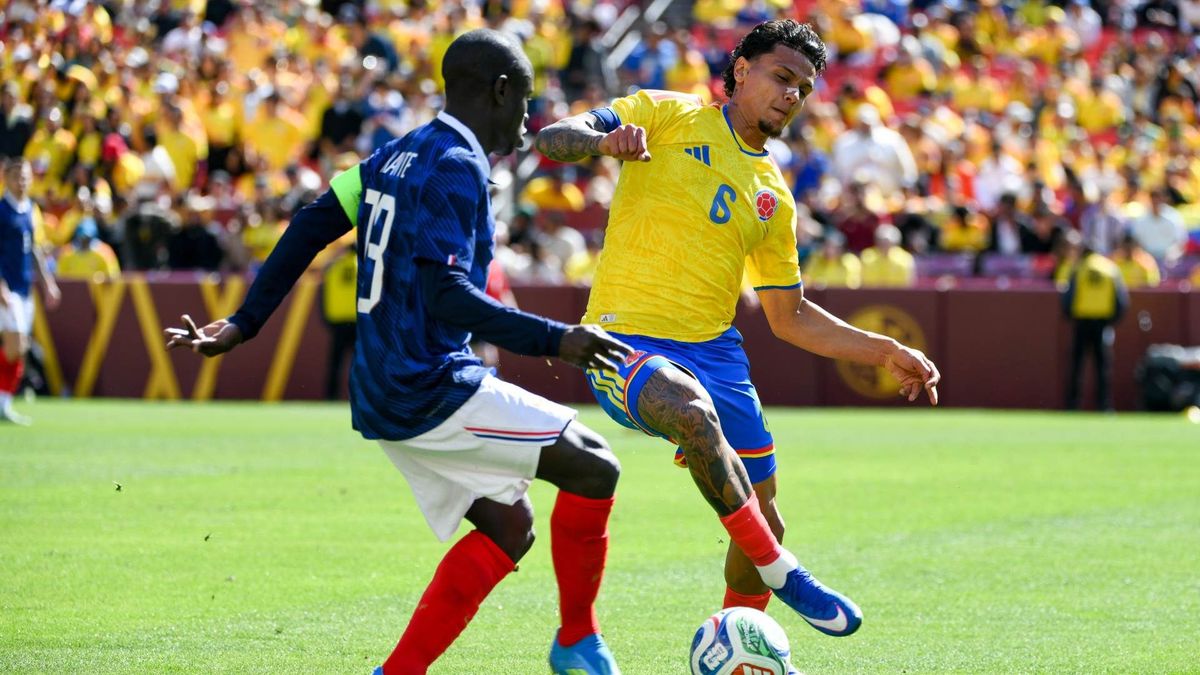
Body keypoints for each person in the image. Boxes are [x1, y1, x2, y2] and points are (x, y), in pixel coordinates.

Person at [166, 30, 631, 675]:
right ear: (499, 92)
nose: (529, 119)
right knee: (595, 466)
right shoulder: (456, 165)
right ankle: (577, 642)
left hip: (382, 388)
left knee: (509, 527)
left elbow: (310, 223)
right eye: (525, 101)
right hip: (428, 387)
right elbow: (447, 296)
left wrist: (246, 322)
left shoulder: (400, 152)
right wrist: (560, 341)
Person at [535, 19, 940, 638]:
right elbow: (555, 139)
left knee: (765, 517)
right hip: (623, 341)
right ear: (741, 70)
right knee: (692, 414)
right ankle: (786, 572)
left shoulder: (774, 193)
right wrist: (600, 141)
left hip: (716, 353)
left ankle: (745, 648)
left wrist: (883, 348)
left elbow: (790, 315)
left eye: (803, 88)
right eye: (782, 77)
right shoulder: (667, 115)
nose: (792, 96)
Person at [0, 158, 60, 425]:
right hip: (7, 287)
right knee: (17, 344)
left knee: (19, 351)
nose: (21, 181)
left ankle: (4, 402)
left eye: (24, 177)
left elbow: (33, 248)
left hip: (25, 287)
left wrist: (47, 281)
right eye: (16, 177)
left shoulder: (29, 209)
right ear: (6, 179)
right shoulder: (2, 210)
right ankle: (4, 403)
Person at [1062, 237, 1128, 412]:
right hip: (1102, 322)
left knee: (1077, 365)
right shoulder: (1110, 268)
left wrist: (1070, 315)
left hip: (1082, 321)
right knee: (1103, 367)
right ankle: (1104, 405)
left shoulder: (1079, 268)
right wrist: (1112, 320)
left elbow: (1068, 298)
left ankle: (1073, 405)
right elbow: (1121, 300)